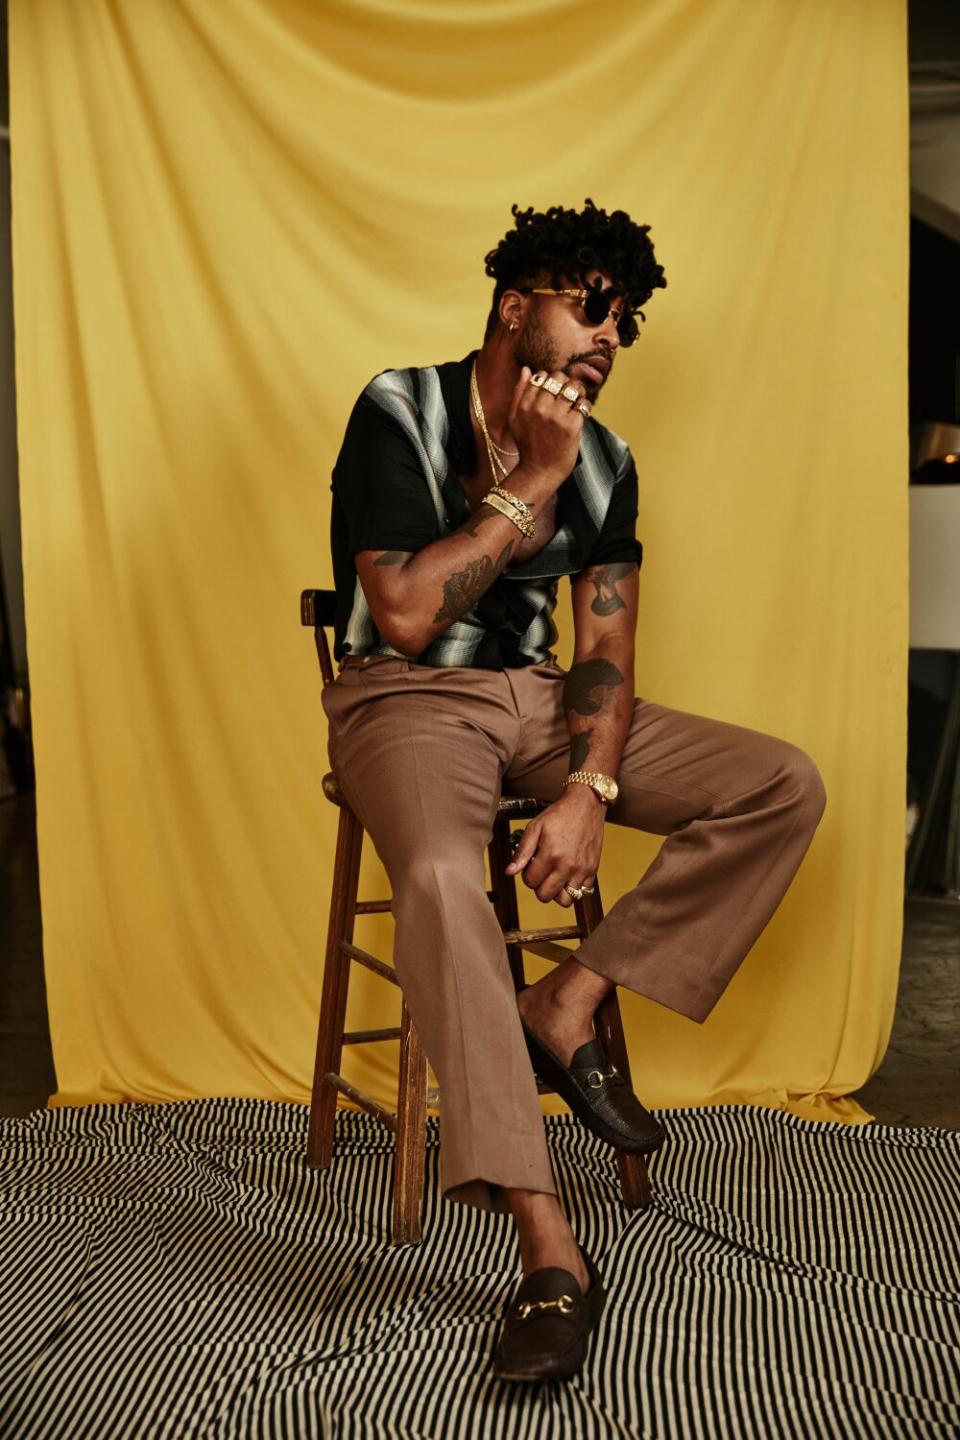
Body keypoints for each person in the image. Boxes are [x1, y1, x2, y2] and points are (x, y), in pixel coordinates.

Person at [322, 198, 827, 1382]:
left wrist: (592, 783)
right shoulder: (403, 407)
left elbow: (604, 648)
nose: (610, 335)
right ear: (517, 305)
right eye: (591, 304)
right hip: (403, 702)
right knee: (448, 877)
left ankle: (566, 1006)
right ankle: (551, 1246)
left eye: (627, 319)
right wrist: (530, 481)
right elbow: (400, 611)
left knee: (781, 783)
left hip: (542, 708)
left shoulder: (612, 463)